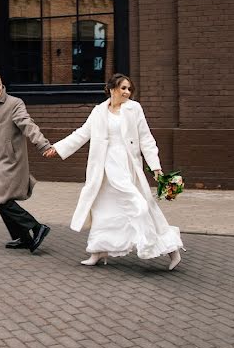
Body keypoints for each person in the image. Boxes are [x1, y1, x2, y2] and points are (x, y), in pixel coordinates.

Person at [44, 73, 183, 269]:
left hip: (126, 167)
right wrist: (57, 148)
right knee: (103, 210)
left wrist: (156, 167)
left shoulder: (134, 109)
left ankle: (171, 249)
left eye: (129, 89)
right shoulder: (98, 112)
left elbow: (146, 138)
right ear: (112, 89)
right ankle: (98, 251)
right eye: (123, 88)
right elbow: (82, 133)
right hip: (104, 170)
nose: (127, 92)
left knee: (142, 206)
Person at [0, 70, 53, 253]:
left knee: (3, 201)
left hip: (13, 160)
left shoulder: (14, 104)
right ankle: (24, 238)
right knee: (2, 201)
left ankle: (36, 227)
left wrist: (43, 145)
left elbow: (28, 124)